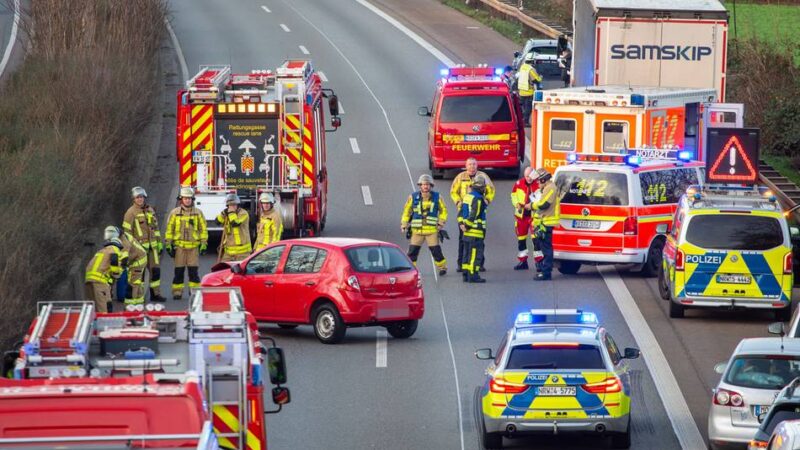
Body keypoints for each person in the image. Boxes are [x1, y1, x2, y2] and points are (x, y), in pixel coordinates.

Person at [451, 158, 495, 272]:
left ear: (477, 165)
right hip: (464, 212)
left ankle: (479, 264)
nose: (472, 167)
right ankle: (461, 264)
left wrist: (487, 201)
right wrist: (458, 202)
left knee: (479, 240)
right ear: (466, 166)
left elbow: (491, 190)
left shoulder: (483, 176)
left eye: (474, 164)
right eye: (469, 164)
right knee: (463, 240)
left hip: (479, 212)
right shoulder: (460, 177)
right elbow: (453, 192)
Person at [122, 186, 165, 302]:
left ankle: (155, 294)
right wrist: (132, 248)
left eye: (141, 197)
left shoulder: (150, 210)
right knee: (139, 274)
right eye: (137, 197)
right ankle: (139, 296)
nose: (140, 199)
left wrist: (159, 243)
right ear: (134, 199)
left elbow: (155, 228)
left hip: (153, 248)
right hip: (139, 250)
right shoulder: (130, 213)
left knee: (155, 272)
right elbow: (127, 233)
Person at [165, 187, 208, 299]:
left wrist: (204, 244)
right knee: (179, 272)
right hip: (179, 247)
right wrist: (168, 244)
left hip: (193, 248)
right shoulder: (174, 213)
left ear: (192, 199)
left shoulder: (198, 213)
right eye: (185, 198)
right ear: (181, 199)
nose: (187, 200)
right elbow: (170, 230)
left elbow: (203, 230)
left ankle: (194, 292)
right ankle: (177, 292)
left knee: (193, 272)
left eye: (189, 198)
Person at [401, 174, 448, 275]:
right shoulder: (413, 197)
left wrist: (441, 222)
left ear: (431, 185)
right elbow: (407, 211)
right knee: (412, 252)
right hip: (417, 231)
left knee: (436, 251)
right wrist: (404, 224)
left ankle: (442, 268)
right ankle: (410, 269)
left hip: (431, 231)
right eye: (423, 184)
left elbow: (443, 210)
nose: (425, 186)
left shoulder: (437, 197)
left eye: (427, 184)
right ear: (420, 185)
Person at [528, 168, 560, 281]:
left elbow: (544, 205)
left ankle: (546, 273)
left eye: (538, 181)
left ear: (543, 180)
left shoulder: (550, 188)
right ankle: (544, 270)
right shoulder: (546, 188)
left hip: (547, 222)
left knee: (546, 249)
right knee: (543, 247)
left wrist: (531, 206)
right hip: (543, 222)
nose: (537, 183)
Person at [105, 225, 149, 306]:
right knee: (136, 282)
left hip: (138, 260)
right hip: (135, 258)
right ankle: (139, 302)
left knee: (132, 283)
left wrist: (116, 274)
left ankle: (130, 306)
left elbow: (123, 260)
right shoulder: (118, 237)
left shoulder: (124, 241)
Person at [84, 231, 124, 313]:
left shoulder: (101, 251)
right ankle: (106, 323)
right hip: (99, 281)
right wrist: (117, 275)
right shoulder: (114, 249)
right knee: (105, 306)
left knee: (93, 307)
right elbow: (114, 263)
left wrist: (109, 283)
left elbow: (103, 267)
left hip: (89, 280)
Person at [458, 176, 488, 283]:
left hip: (466, 233)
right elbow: (473, 214)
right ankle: (473, 275)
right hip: (475, 231)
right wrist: (467, 226)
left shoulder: (467, 197)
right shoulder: (478, 199)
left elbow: (461, 213)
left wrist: (462, 224)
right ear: (481, 187)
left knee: (467, 253)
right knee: (475, 254)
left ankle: (466, 274)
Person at [510, 166, 540, 270]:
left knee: (536, 240)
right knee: (521, 239)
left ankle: (539, 262)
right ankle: (523, 262)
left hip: (534, 216)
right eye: (527, 176)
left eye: (531, 176)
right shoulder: (519, 184)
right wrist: (516, 203)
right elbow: (513, 195)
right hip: (521, 216)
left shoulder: (538, 184)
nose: (529, 178)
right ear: (524, 175)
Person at [216, 193, 251, 262]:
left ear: (238, 205)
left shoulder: (243, 213)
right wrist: (223, 214)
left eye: (234, 205)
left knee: (241, 271)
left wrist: (231, 212)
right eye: (230, 205)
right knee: (223, 270)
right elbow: (217, 222)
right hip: (229, 252)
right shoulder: (227, 213)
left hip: (242, 252)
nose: (232, 207)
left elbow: (235, 223)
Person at [517, 52, 542, 126]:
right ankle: (525, 122)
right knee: (528, 108)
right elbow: (536, 80)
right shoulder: (531, 69)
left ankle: (520, 121)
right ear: (532, 61)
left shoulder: (522, 67)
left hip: (521, 91)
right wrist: (540, 77)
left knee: (523, 107)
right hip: (529, 91)